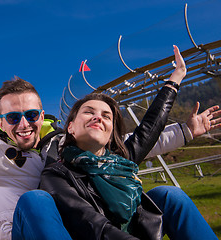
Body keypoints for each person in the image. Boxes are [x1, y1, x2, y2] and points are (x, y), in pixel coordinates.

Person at [0, 52, 220, 239]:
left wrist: (187, 131)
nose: (24, 124)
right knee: (36, 200)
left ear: (42, 114)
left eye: (30, 115)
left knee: (166, 195)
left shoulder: (65, 145)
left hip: (84, 231)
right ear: (0, 122)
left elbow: (126, 147)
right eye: (13, 118)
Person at [13, 46, 219, 240]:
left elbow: (149, 128)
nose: (98, 118)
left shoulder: (120, 162)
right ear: (71, 127)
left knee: (169, 194)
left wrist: (176, 79)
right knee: (34, 199)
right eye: (88, 112)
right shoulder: (57, 173)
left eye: (106, 116)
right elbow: (89, 221)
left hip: (129, 231)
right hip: (94, 235)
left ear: (111, 133)